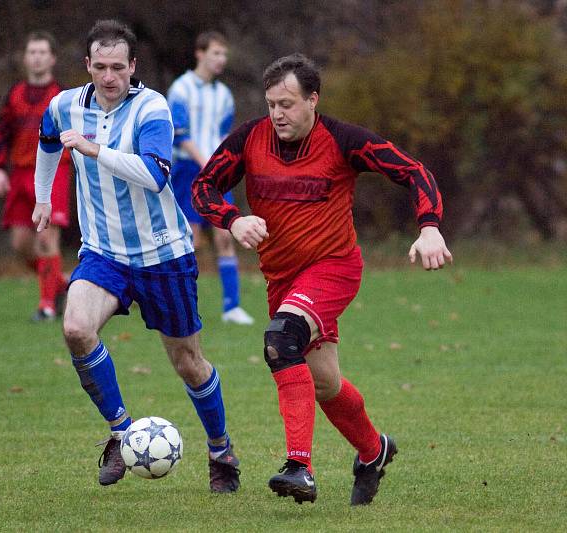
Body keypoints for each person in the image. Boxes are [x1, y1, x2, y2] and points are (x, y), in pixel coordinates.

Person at [192, 53, 453, 505]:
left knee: (280, 340)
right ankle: (373, 451)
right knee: (325, 381)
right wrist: (232, 219)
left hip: (334, 267)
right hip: (283, 279)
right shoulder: (250, 139)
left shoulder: (344, 139)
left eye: (288, 104)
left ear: (313, 99)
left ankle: (299, 467)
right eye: (272, 103)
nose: (278, 114)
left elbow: (413, 171)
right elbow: (202, 187)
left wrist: (428, 226)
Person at [32, 19, 241, 493]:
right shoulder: (65, 105)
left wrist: (94, 149)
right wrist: (44, 196)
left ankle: (220, 448)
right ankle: (123, 433)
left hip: (163, 254)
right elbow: (47, 140)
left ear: (133, 67)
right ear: (87, 65)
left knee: (188, 361)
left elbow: (155, 175)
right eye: (100, 67)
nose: (109, 77)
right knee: (75, 328)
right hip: (104, 252)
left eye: (117, 67)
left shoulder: (153, 107)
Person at [166, 31, 254, 325]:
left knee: (225, 234)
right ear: (199, 53)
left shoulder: (224, 95)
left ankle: (232, 307)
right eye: (216, 53)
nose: (221, 60)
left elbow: (223, 135)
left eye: (224, 54)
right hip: (189, 172)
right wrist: (206, 163)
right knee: (190, 239)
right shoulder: (180, 89)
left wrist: (224, 164)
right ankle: (181, 306)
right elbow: (181, 136)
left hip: (215, 174)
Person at [0, 31, 72, 321]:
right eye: (32, 52)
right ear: (25, 58)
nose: (36, 57)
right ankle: (60, 285)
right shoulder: (14, 95)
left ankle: (47, 306)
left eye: (42, 52)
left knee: (47, 238)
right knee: (21, 244)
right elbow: (2, 134)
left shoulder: (62, 97)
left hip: (54, 171)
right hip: (22, 172)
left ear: (52, 58)